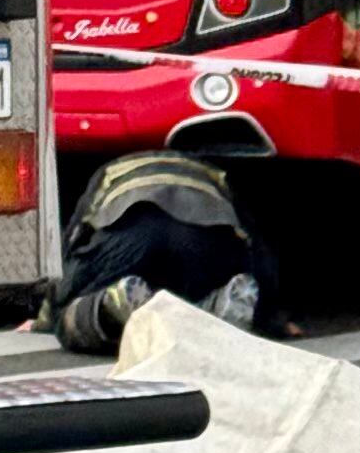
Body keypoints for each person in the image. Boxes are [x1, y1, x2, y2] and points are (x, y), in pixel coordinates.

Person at [47, 148, 267, 353]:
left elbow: (72, 243)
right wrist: (273, 311)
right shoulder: (212, 172)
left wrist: (53, 308)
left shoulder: (108, 173)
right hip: (203, 234)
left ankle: (114, 303)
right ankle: (215, 306)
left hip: (130, 234)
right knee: (189, 290)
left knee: (65, 317)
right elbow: (252, 242)